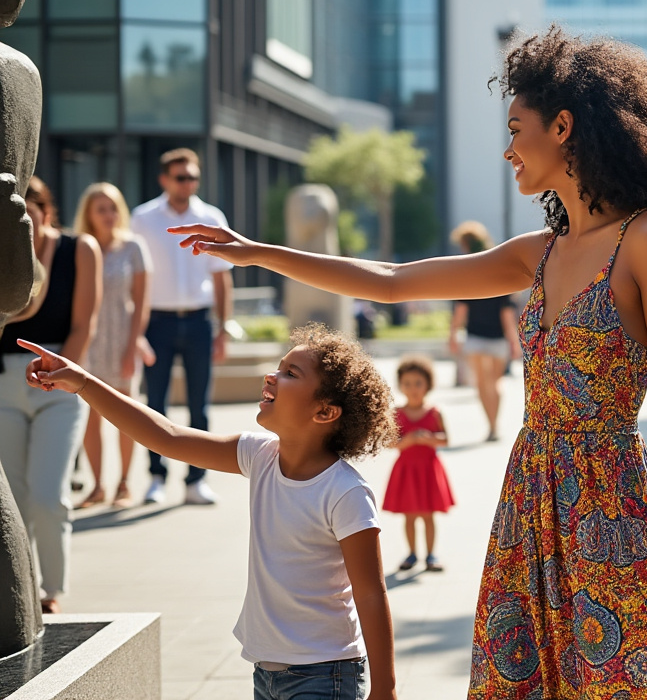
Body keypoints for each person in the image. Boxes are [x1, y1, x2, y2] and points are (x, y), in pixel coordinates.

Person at [167, 27, 647, 698]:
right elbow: (392, 280)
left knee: (637, 679)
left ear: (563, 127)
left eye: (517, 128)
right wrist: (259, 252)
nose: (507, 148)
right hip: (529, 500)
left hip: (611, 507)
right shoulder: (538, 251)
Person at [20, 324, 397, 699]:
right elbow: (164, 436)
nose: (272, 375)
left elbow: (370, 594)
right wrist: (84, 382)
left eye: (290, 373)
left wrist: (385, 688)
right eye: (279, 366)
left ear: (325, 412)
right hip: (266, 672)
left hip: (325, 675)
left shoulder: (345, 491)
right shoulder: (259, 456)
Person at [0, 177, 102, 614]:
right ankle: (20, 592)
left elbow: (84, 323)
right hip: (4, 379)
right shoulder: (6, 253)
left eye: (33, 205)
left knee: (48, 494)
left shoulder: (79, 249)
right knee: (14, 499)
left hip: (59, 375)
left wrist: (65, 377)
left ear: (45, 208)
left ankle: (51, 591)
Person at [131, 148, 233, 507]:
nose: (187, 183)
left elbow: (222, 280)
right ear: (164, 180)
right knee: (154, 403)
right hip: (156, 321)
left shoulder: (211, 216)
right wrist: (137, 331)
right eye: (180, 177)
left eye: (192, 177)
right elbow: (134, 277)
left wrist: (223, 330)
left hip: (199, 321)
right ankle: (156, 478)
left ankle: (196, 480)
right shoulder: (141, 218)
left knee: (198, 405)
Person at [74, 182, 154, 509]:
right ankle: (97, 487)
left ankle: (124, 484)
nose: (108, 215)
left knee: (125, 414)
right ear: (88, 214)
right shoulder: (80, 246)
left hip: (121, 339)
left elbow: (141, 302)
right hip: (88, 342)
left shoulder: (134, 247)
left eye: (113, 208)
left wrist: (132, 345)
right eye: (101, 209)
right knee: (90, 416)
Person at [447, 221, 521, 442]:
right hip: (498, 337)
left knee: (482, 383)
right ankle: (494, 426)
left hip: (476, 336)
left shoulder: (467, 272)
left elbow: (461, 310)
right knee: (495, 383)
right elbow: (506, 311)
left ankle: (491, 426)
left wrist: (452, 334)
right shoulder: (498, 270)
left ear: (466, 244)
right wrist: (513, 341)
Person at [383, 356, 452, 573]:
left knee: (428, 514)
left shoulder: (435, 412)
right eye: (407, 384)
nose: (413, 389)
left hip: (428, 468)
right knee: (409, 515)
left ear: (428, 385)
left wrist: (428, 438)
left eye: (418, 383)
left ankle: (431, 554)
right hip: (407, 469)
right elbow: (391, 443)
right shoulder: (397, 414)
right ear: (400, 386)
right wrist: (409, 441)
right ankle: (412, 553)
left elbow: (445, 439)